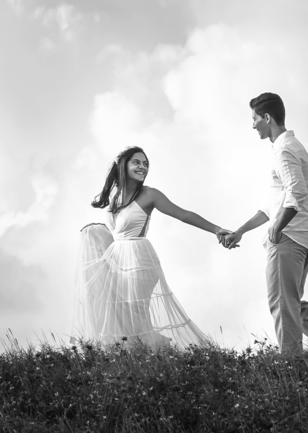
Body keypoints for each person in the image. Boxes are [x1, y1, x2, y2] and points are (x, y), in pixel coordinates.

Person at [220, 92, 308, 357]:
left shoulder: (284, 150)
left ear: (267, 117)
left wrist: (277, 228)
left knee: (282, 303)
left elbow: (297, 192)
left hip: (290, 237)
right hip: (301, 236)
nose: (252, 125)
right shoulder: (288, 148)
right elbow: (274, 205)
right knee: (291, 303)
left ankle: (291, 364)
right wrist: (241, 231)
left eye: (254, 119)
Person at [73, 146, 228, 350]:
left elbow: (183, 214)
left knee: (136, 313)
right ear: (123, 165)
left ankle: (155, 356)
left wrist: (217, 229)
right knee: (120, 313)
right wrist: (94, 232)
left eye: (145, 164)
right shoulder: (114, 198)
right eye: (136, 162)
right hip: (116, 260)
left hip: (138, 259)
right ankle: (136, 359)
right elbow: (116, 233)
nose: (142, 167)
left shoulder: (150, 195)